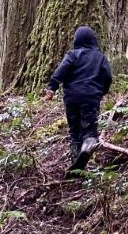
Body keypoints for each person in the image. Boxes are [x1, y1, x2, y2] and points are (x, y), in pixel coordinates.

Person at [44, 25, 113, 171]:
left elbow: (61, 71)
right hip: (91, 97)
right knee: (88, 128)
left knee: (74, 131)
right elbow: (107, 77)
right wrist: (102, 91)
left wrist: (52, 87)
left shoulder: (72, 55)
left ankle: (75, 160)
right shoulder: (100, 57)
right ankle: (88, 142)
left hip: (71, 97)